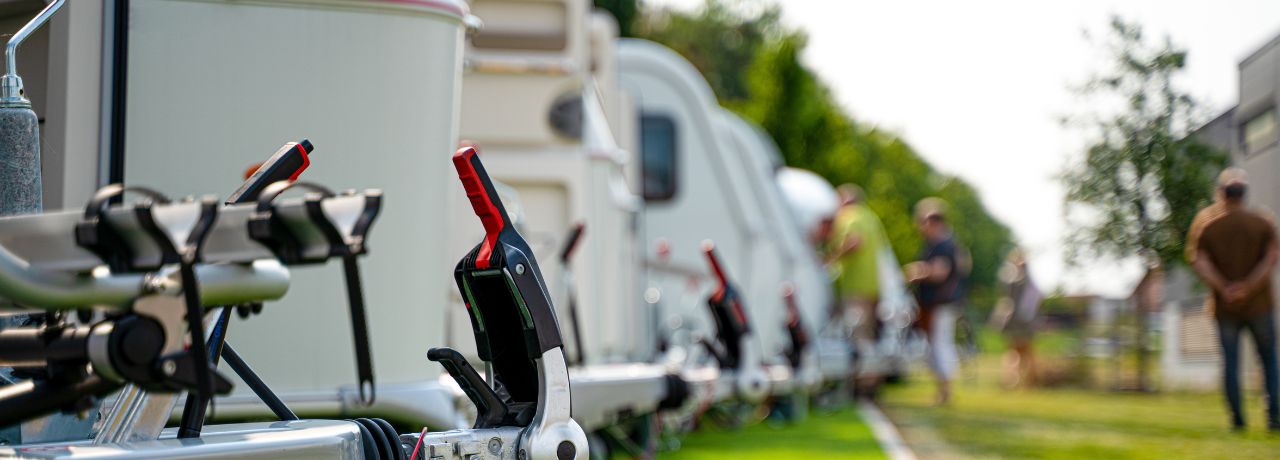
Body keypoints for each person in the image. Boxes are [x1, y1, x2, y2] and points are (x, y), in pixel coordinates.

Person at [1187, 168, 1279, 432]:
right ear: (1243, 194)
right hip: (1260, 304)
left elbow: (1199, 260)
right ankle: (1274, 417)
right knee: (1269, 360)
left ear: (1221, 193)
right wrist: (1248, 286)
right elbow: (1271, 257)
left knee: (1231, 364)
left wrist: (1225, 288)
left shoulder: (1207, 224)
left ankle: (1237, 420)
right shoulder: (1262, 222)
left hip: (1225, 307)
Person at [827, 184, 890, 393]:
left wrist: (832, 258)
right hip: (872, 285)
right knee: (867, 334)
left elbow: (855, 242)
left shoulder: (849, 216)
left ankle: (864, 385)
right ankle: (870, 381)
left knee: (858, 335)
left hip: (856, 285)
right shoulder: (870, 217)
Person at [905, 198, 967, 406]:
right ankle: (943, 390)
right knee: (936, 345)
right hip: (937, 303)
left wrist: (918, 271)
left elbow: (940, 272)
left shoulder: (943, 245)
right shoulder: (940, 244)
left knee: (941, 344)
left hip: (941, 302)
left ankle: (946, 390)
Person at [990, 248, 1042, 388]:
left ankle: (1024, 380)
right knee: (1016, 350)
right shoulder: (1016, 278)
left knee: (1022, 350)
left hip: (1021, 320)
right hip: (1017, 320)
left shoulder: (1012, 277)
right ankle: (1016, 379)